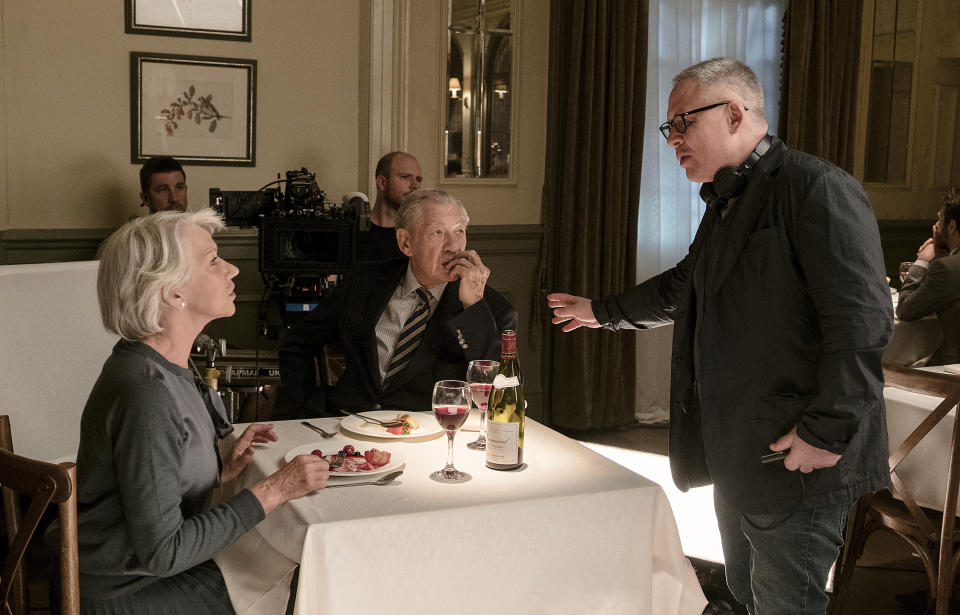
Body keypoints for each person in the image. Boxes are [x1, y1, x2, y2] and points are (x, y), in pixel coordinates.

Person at [547, 57, 892, 614]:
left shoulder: (818, 188)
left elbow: (863, 323)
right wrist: (601, 312)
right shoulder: (729, 198)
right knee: (746, 599)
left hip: (795, 456)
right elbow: (687, 283)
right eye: (669, 127)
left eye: (682, 122)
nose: (673, 140)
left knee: (785, 607)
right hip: (737, 452)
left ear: (734, 113)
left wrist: (824, 433)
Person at [71, 210, 329, 614]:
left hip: (140, 575)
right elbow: (165, 553)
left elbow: (150, 482)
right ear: (173, 294)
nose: (232, 269)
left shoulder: (162, 364)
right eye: (212, 260)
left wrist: (217, 468)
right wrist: (275, 489)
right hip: (128, 594)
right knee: (312, 580)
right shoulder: (147, 391)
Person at [281, 188, 517, 417]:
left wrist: (473, 306)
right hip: (346, 427)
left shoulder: (493, 309)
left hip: (429, 437)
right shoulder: (364, 281)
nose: (453, 246)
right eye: (438, 232)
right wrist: (305, 408)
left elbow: (501, 389)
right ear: (406, 242)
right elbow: (297, 344)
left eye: (459, 231)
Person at [897, 186, 960, 365]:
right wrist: (943, 256)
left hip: (952, 371)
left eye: (939, 219)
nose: (935, 226)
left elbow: (906, 310)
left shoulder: (947, 269)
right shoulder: (949, 265)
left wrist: (923, 262)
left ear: (952, 225)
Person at [354, 151, 423, 261]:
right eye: (405, 177)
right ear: (382, 182)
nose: (415, 186)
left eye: (418, 179)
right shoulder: (351, 231)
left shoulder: (419, 236)